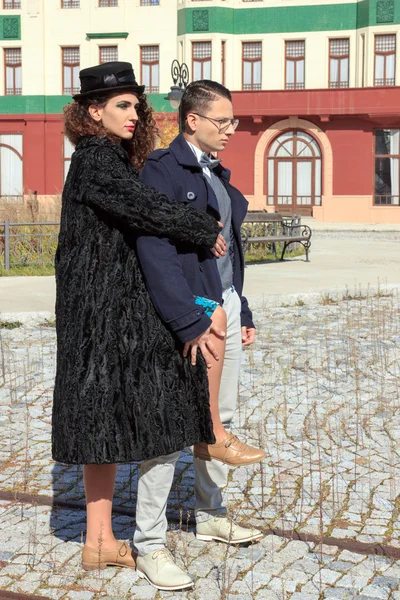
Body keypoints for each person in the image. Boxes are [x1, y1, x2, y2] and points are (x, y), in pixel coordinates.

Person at [51, 63, 228, 575]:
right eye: (121, 105)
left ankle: (100, 540)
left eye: (136, 105)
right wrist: (201, 224)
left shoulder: (107, 158)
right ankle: (112, 536)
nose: (134, 114)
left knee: (101, 423)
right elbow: (148, 208)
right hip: (99, 315)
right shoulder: (95, 160)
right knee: (116, 415)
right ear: (92, 111)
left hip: (108, 311)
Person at [134, 80, 265, 591]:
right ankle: (148, 543)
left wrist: (242, 307)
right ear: (193, 120)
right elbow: (155, 251)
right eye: (223, 121)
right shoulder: (162, 172)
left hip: (223, 307)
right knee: (170, 428)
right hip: (190, 314)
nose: (232, 129)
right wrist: (187, 320)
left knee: (220, 419)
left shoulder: (216, 172)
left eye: (233, 121)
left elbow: (229, 251)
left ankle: (210, 515)